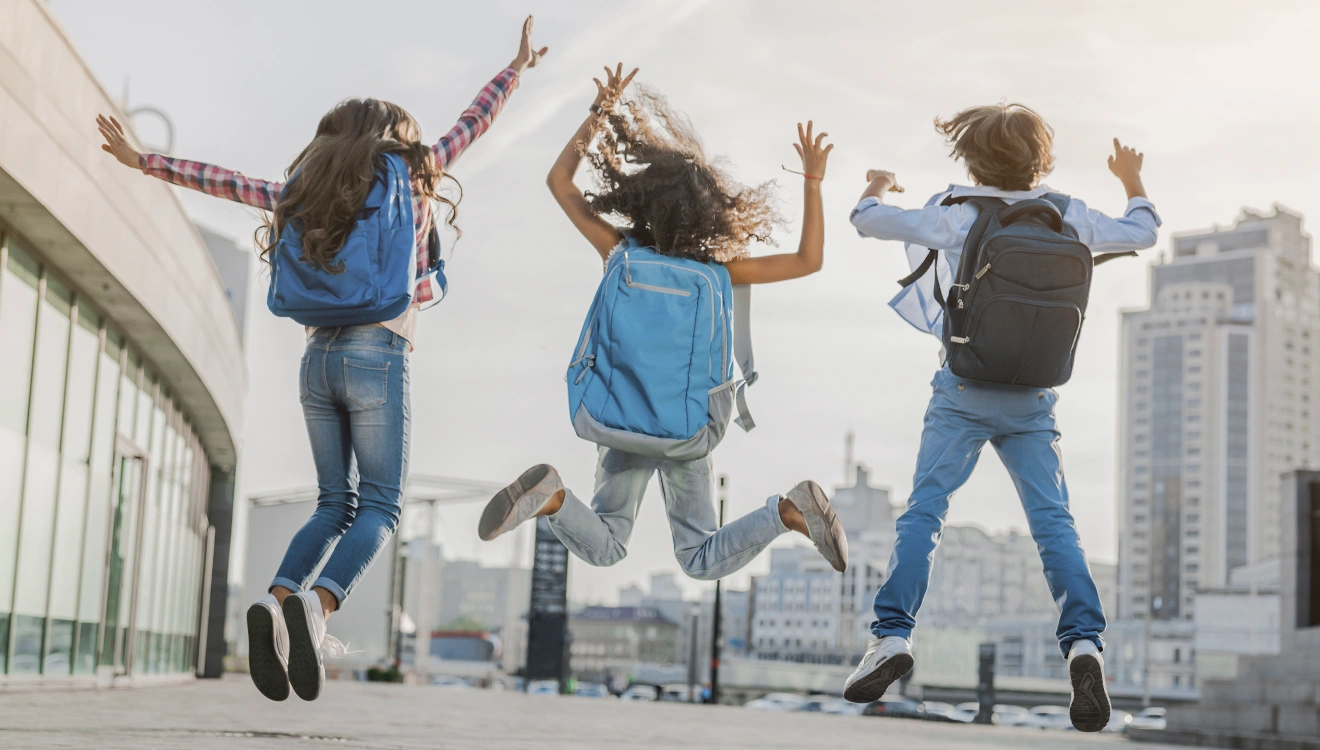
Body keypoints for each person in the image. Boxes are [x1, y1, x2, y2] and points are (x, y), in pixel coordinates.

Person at [96, 18, 547, 702]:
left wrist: (145, 162)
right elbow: (471, 123)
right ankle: (318, 606)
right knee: (381, 507)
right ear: (394, 137)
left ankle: (277, 601)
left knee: (333, 502)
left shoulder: (302, 191)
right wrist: (514, 70)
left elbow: (224, 181)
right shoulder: (414, 173)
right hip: (379, 352)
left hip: (316, 358)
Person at [842, 103, 1161, 733]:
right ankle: (1084, 645)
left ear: (972, 159)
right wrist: (1131, 179)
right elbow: (1143, 232)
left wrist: (876, 185)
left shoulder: (958, 212)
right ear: (1041, 161)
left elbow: (866, 221)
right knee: (1054, 525)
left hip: (963, 387)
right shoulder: (1067, 213)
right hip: (1035, 397)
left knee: (925, 513)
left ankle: (891, 637)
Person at [477, 64, 848, 582]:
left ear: (640, 200)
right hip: (686, 427)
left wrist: (600, 112)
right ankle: (787, 512)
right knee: (698, 556)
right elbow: (809, 260)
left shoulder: (619, 253)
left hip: (620, 417)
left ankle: (553, 497)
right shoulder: (718, 272)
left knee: (607, 544)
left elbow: (559, 183)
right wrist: (812, 183)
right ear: (712, 213)